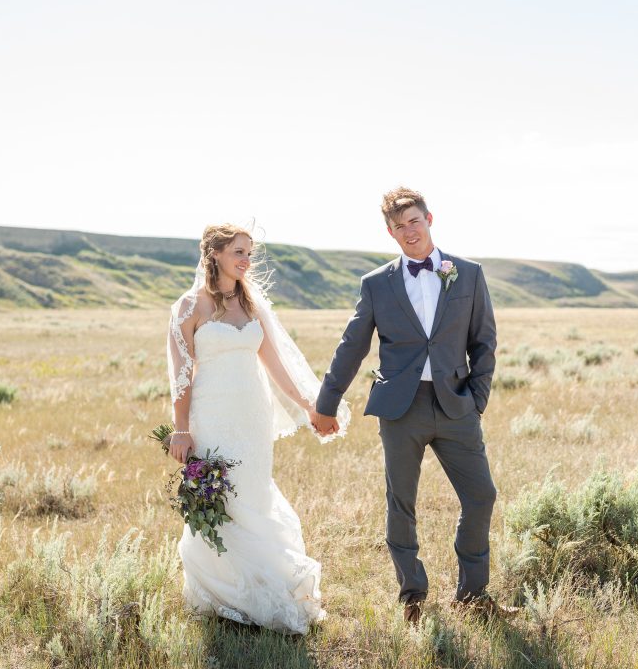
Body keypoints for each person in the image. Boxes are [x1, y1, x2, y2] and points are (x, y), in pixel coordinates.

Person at [314, 187, 515, 624]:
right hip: (400, 410)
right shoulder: (376, 284)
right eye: (399, 226)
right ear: (390, 231)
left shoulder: (467, 273)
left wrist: (476, 398)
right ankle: (413, 596)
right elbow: (352, 346)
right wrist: (326, 402)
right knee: (401, 502)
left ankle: (472, 595)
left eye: (414, 221)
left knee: (481, 496)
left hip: (457, 405)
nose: (409, 231)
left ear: (429, 219)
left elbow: (484, 341)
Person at [167, 223, 349, 634]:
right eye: (238, 252)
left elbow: (277, 369)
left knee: (252, 496)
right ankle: (222, 592)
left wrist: (310, 407)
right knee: (221, 500)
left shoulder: (250, 306)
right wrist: (181, 429)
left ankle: (265, 586)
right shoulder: (188, 306)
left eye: (250, 253)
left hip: (252, 417)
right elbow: (181, 376)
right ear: (214, 254)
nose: (246, 260)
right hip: (211, 417)